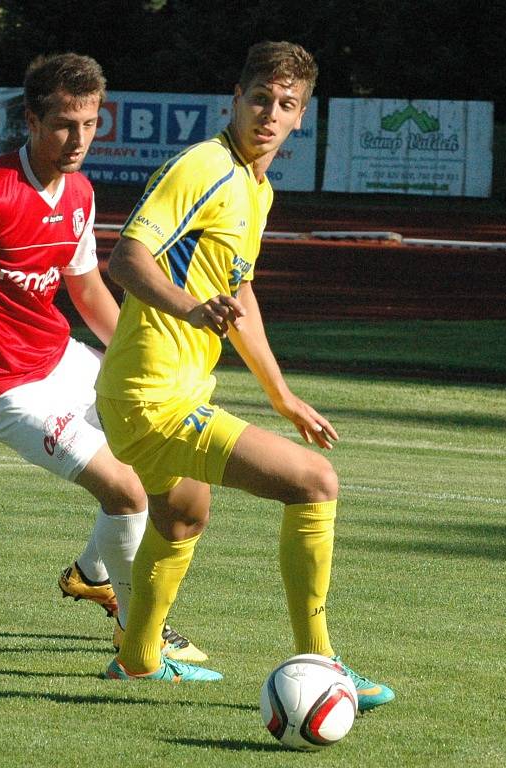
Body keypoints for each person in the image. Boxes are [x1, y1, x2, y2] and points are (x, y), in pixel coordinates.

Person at [0, 52, 204, 663]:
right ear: (31, 119)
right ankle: (140, 635)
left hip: (62, 359)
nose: (78, 139)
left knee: (165, 453)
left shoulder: (78, 191)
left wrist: (138, 353)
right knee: (127, 491)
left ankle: (92, 572)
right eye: (63, 124)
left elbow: (86, 288)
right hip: (3, 387)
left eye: (90, 123)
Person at [95, 40, 395, 709]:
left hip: (174, 389)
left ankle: (138, 660)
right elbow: (126, 259)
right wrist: (188, 307)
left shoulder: (257, 189)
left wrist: (280, 393)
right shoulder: (204, 166)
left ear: (300, 118)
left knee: (182, 516)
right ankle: (322, 660)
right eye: (260, 97)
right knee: (314, 482)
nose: (269, 112)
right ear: (235, 98)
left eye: (286, 104)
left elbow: (241, 293)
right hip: (150, 397)